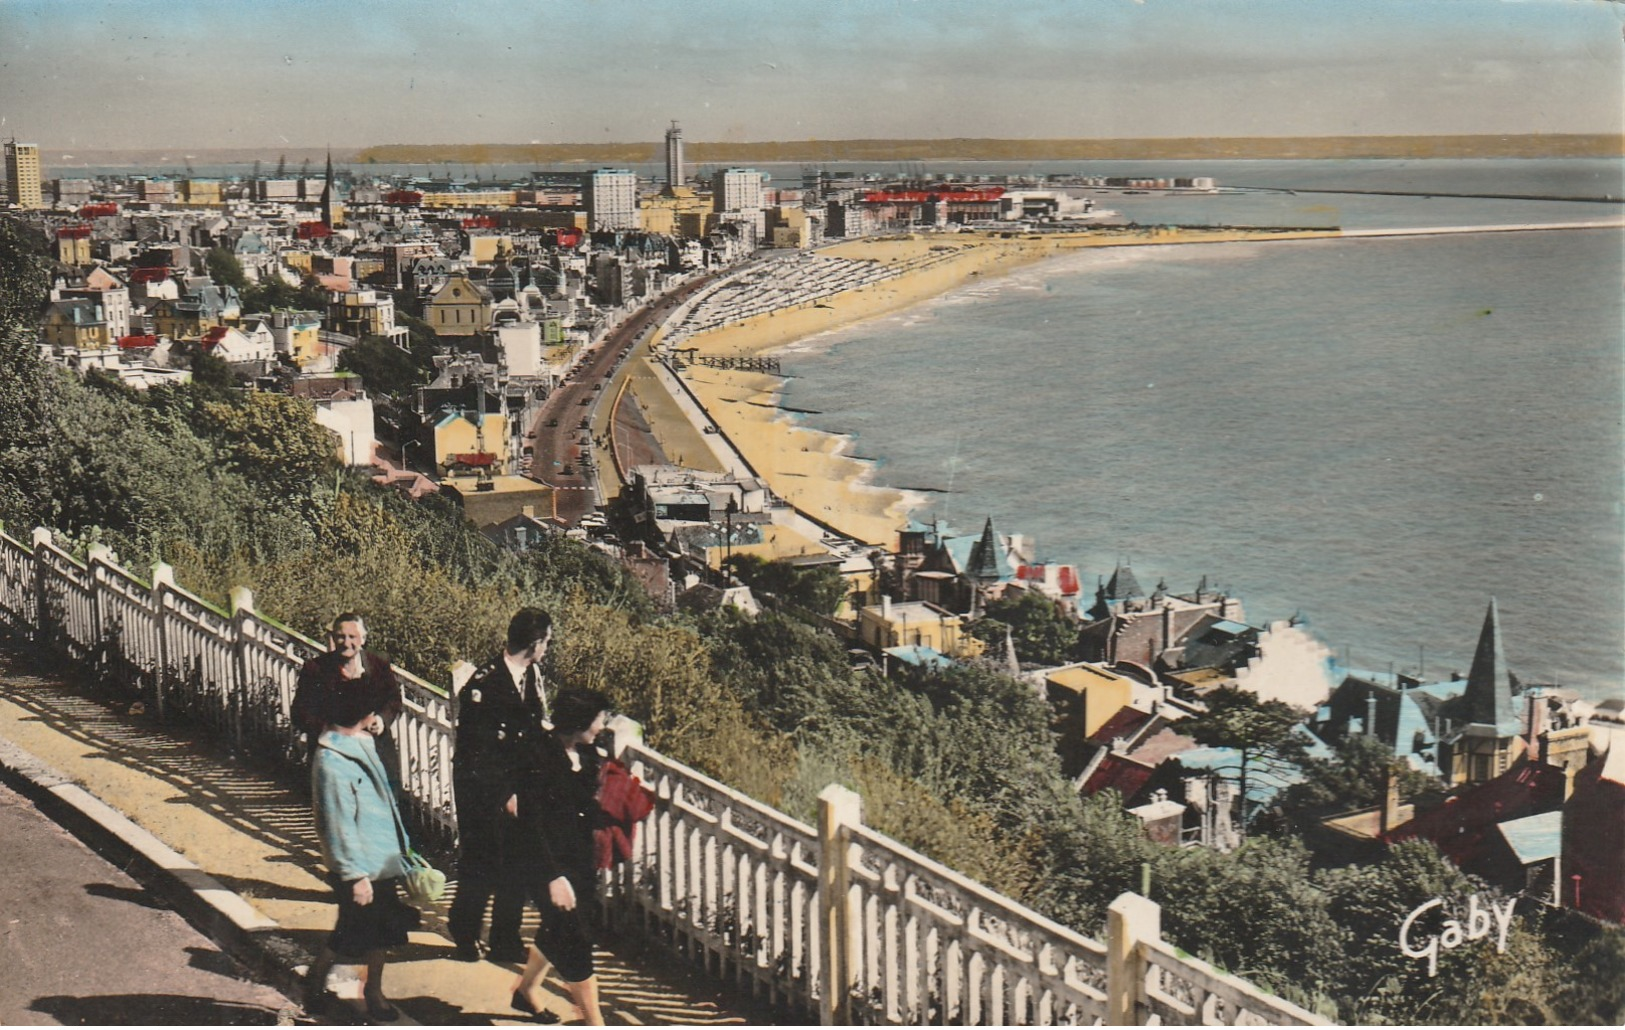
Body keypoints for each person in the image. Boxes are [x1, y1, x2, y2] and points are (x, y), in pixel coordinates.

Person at [303, 690, 420, 1022]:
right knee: (350, 932)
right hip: (360, 867)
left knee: (382, 931)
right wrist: (355, 875)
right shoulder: (331, 760)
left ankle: (374, 990)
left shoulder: (361, 744)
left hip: (380, 859)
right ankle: (315, 982)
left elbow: (385, 802)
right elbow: (337, 823)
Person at [448, 607, 553, 963]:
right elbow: (476, 752)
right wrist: (503, 795)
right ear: (536, 642)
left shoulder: (532, 675)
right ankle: (464, 933)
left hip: (520, 788)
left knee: (517, 865)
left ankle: (504, 940)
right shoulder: (485, 684)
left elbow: (534, 729)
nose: (547, 650)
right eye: (547, 642)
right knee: (482, 864)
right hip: (483, 791)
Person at [510, 688, 612, 1026]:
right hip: (544, 863)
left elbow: (584, 809)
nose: (602, 726)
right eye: (598, 720)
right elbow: (530, 822)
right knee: (575, 938)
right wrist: (553, 876)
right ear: (580, 720)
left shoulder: (587, 754)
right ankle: (594, 1022)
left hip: (578, 863)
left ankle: (525, 991)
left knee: (559, 928)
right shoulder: (538, 755)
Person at [290, 614, 403, 784]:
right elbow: (299, 712)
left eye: (352, 637)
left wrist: (380, 720)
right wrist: (332, 730)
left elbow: (393, 699)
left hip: (374, 752)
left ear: (363, 639)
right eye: (340, 637)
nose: (346, 642)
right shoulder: (316, 669)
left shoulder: (378, 664)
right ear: (333, 638)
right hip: (332, 754)